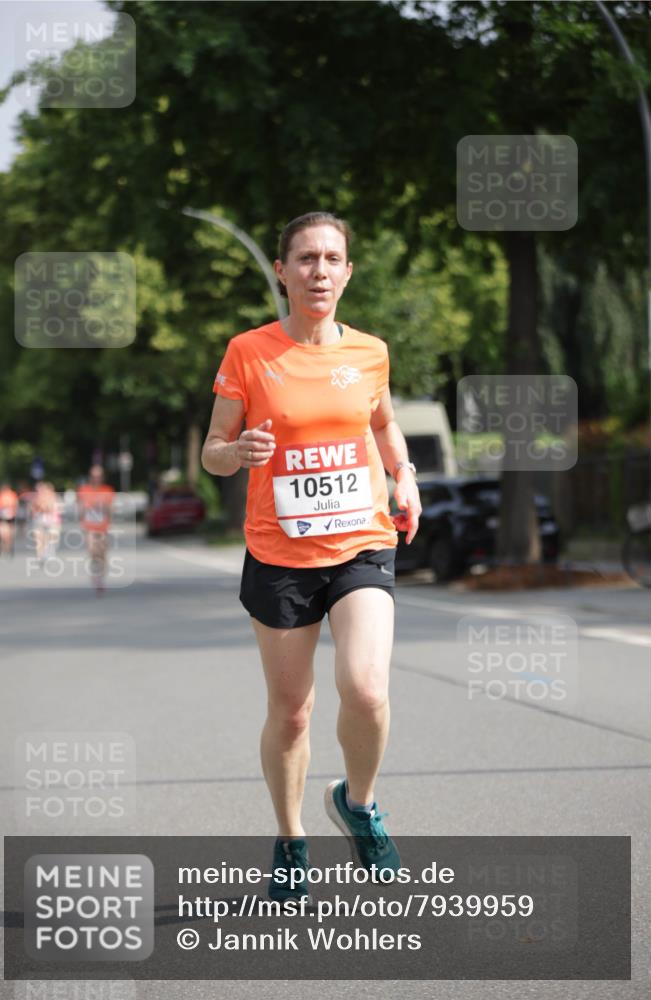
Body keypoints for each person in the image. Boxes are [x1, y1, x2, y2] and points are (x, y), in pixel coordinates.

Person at [202, 212, 421, 903]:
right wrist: (235, 454)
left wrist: (404, 473)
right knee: (291, 711)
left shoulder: (370, 353)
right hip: (278, 551)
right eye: (305, 259)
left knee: (366, 688)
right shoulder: (248, 352)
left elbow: (382, 421)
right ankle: (292, 837)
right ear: (282, 270)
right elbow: (211, 450)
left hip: (361, 539)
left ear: (347, 272)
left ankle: (358, 804)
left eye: (331, 259)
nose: (319, 270)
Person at [77, 465, 115, 594]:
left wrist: (105, 510)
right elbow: (81, 508)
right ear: (90, 477)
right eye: (94, 476)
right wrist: (81, 519)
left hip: (103, 527)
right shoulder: (84, 490)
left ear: (102, 477)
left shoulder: (108, 490)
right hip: (89, 527)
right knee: (92, 551)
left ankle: (101, 576)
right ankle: (96, 576)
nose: (96, 479)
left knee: (102, 554)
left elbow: (110, 509)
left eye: (99, 476)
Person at [30, 481, 62, 565]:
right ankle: (39, 556)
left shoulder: (54, 497)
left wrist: (44, 507)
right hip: (39, 520)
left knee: (51, 538)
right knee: (39, 539)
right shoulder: (36, 498)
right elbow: (32, 510)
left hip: (52, 521)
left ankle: (49, 551)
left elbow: (53, 508)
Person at [0, 482, 19, 557]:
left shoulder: (12, 495)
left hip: (10, 517)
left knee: (9, 534)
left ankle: (8, 547)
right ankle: (3, 549)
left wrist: (12, 510)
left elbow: (15, 505)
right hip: (1, 517)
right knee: (2, 534)